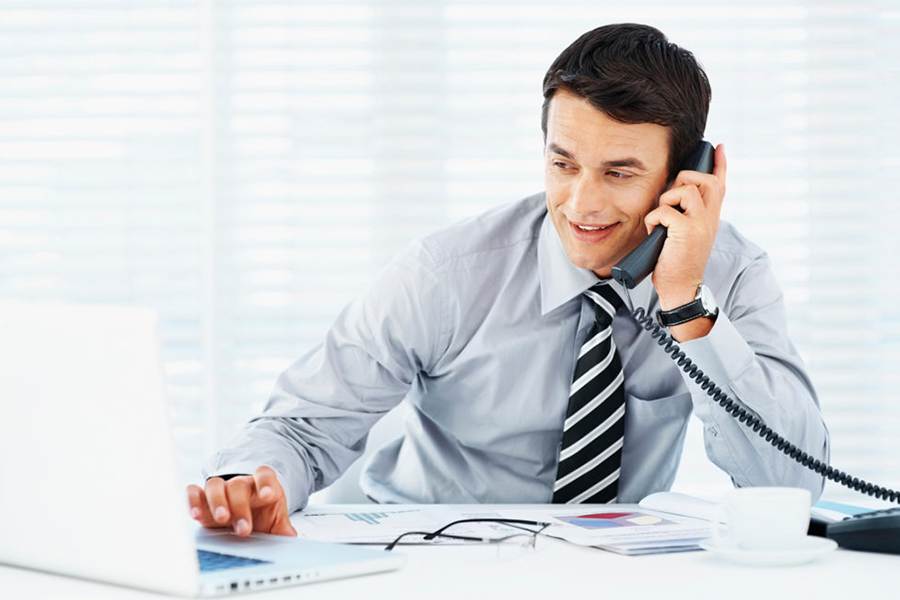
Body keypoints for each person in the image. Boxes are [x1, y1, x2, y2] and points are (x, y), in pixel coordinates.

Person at [186, 23, 829, 538]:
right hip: (430, 555)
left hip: (614, 570)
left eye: (620, 173)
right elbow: (306, 426)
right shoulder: (446, 275)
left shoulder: (731, 274)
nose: (581, 204)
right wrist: (251, 480)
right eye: (563, 162)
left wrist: (686, 304)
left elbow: (790, 486)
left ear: (685, 175)